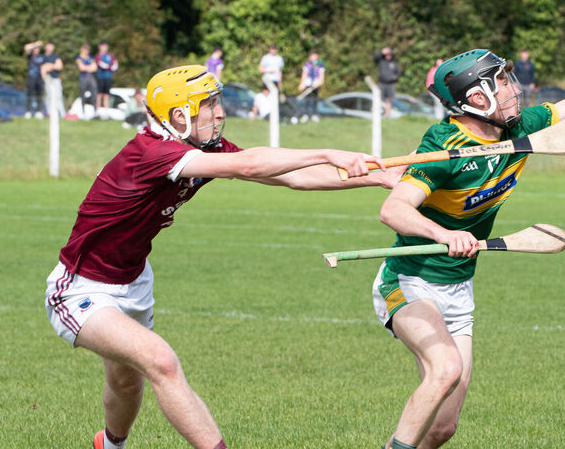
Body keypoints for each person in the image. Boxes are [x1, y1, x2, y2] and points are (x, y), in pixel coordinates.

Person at [371, 14, 565, 449]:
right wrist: (444, 234)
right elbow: (394, 209)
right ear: (477, 98)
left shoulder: (522, 128)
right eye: (500, 81)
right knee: (444, 369)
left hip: (457, 287)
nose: (513, 86)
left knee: (443, 427)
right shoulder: (443, 146)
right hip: (409, 282)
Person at [44, 65, 401, 449]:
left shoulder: (203, 149)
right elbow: (248, 164)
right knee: (160, 361)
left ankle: (109, 445)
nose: (219, 113)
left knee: (126, 380)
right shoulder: (151, 152)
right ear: (178, 115)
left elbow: (291, 176)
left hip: (134, 280)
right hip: (81, 287)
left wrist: (376, 177)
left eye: (217, 102)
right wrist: (329, 151)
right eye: (208, 105)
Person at [298, 49, 325, 123]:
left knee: (315, 99)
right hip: (308, 83)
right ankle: (305, 114)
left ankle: (314, 114)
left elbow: (322, 76)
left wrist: (318, 83)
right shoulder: (307, 64)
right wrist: (302, 83)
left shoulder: (320, 64)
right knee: (307, 99)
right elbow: (304, 74)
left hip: (316, 83)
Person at [41, 41, 66, 118]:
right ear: (46, 47)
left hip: (56, 79)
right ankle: (49, 113)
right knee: (49, 96)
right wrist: (52, 66)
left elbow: (60, 66)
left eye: (51, 46)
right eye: (49, 46)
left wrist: (49, 65)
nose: (50, 48)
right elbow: (43, 69)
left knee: (58, 96)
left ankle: (62, 113)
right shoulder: (43, 57)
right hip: (47, 79)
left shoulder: (56, 56)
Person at [374, 47, 401, 117]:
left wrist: (395, 77)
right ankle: (378, 115)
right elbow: (375, 57)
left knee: (388, 101)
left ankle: (387, 116)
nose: (388, 56)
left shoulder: (394, 63)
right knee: (379, 99)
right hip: (381, 83)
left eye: (389, 54)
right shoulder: (381, 61)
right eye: (387, 54)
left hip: (391, 84)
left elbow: (398, 73)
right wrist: (382, 52)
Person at [96, 40, 119, 120]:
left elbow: (115, 65)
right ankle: (98, 110)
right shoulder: (98, 56)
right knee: (99, 94)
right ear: (100, 47)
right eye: (103, 46)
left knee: (107, 95)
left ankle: (106, 111)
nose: (104, 48)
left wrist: (111, 67)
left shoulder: (110, 56)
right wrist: (110, 67)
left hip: (108, 77)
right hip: (101, 77)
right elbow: (102, 65)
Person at [76, 43, 99, 119]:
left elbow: (95, 68)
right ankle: (83, 112)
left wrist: (86, 67)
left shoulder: (91, 58)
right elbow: (81, 68)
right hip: (83, 77)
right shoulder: (79, 58)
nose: (86, 51)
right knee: (83, 95)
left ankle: (95, 112)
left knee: (94, 94)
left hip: (91, 77)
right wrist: (90, 67)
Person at [24, 40, 45, 119]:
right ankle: (28, 111)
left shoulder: (42, 56)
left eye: (38, 48)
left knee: (39, 95)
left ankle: (38, 111)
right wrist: (35, 44)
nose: (36, 49)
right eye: (35, 48)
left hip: (39, 78)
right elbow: (26, 47)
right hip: (31, 77)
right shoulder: (30, 55)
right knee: (29, 95)